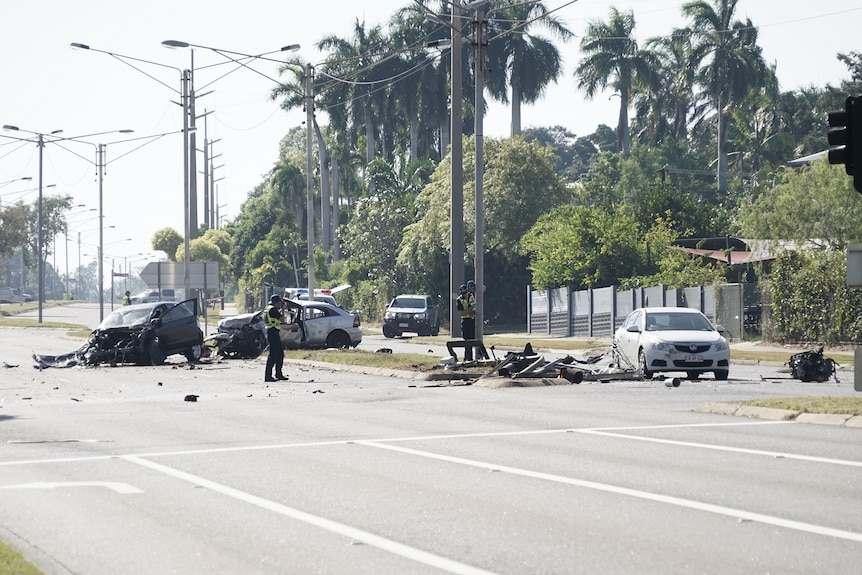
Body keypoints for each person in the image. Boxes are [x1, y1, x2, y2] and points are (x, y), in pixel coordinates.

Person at [264, 294, 288, 382]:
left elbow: (277, 318)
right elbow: (282, 320)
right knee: (273, 355)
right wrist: (284, 310)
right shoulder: (273, 310)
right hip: (273, 333)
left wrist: (281, 309)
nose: (280, 304)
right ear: (276, 303)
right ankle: (268, 376)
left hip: (272, 333)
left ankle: (278, 374)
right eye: (279, 303)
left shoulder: (269, 309)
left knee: (280, 354)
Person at [456, 284, 476, 360]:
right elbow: (461, 313)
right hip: (466, 321)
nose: (465, 294)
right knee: (467, 341)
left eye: (466, 292)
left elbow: (483, 288)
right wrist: (470, 309)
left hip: (473, 320)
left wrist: (474, 285)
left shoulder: (472, 295)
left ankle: (480, 356)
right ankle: (468, 358)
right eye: (463, 293)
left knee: (476, 340)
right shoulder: (459, 300)